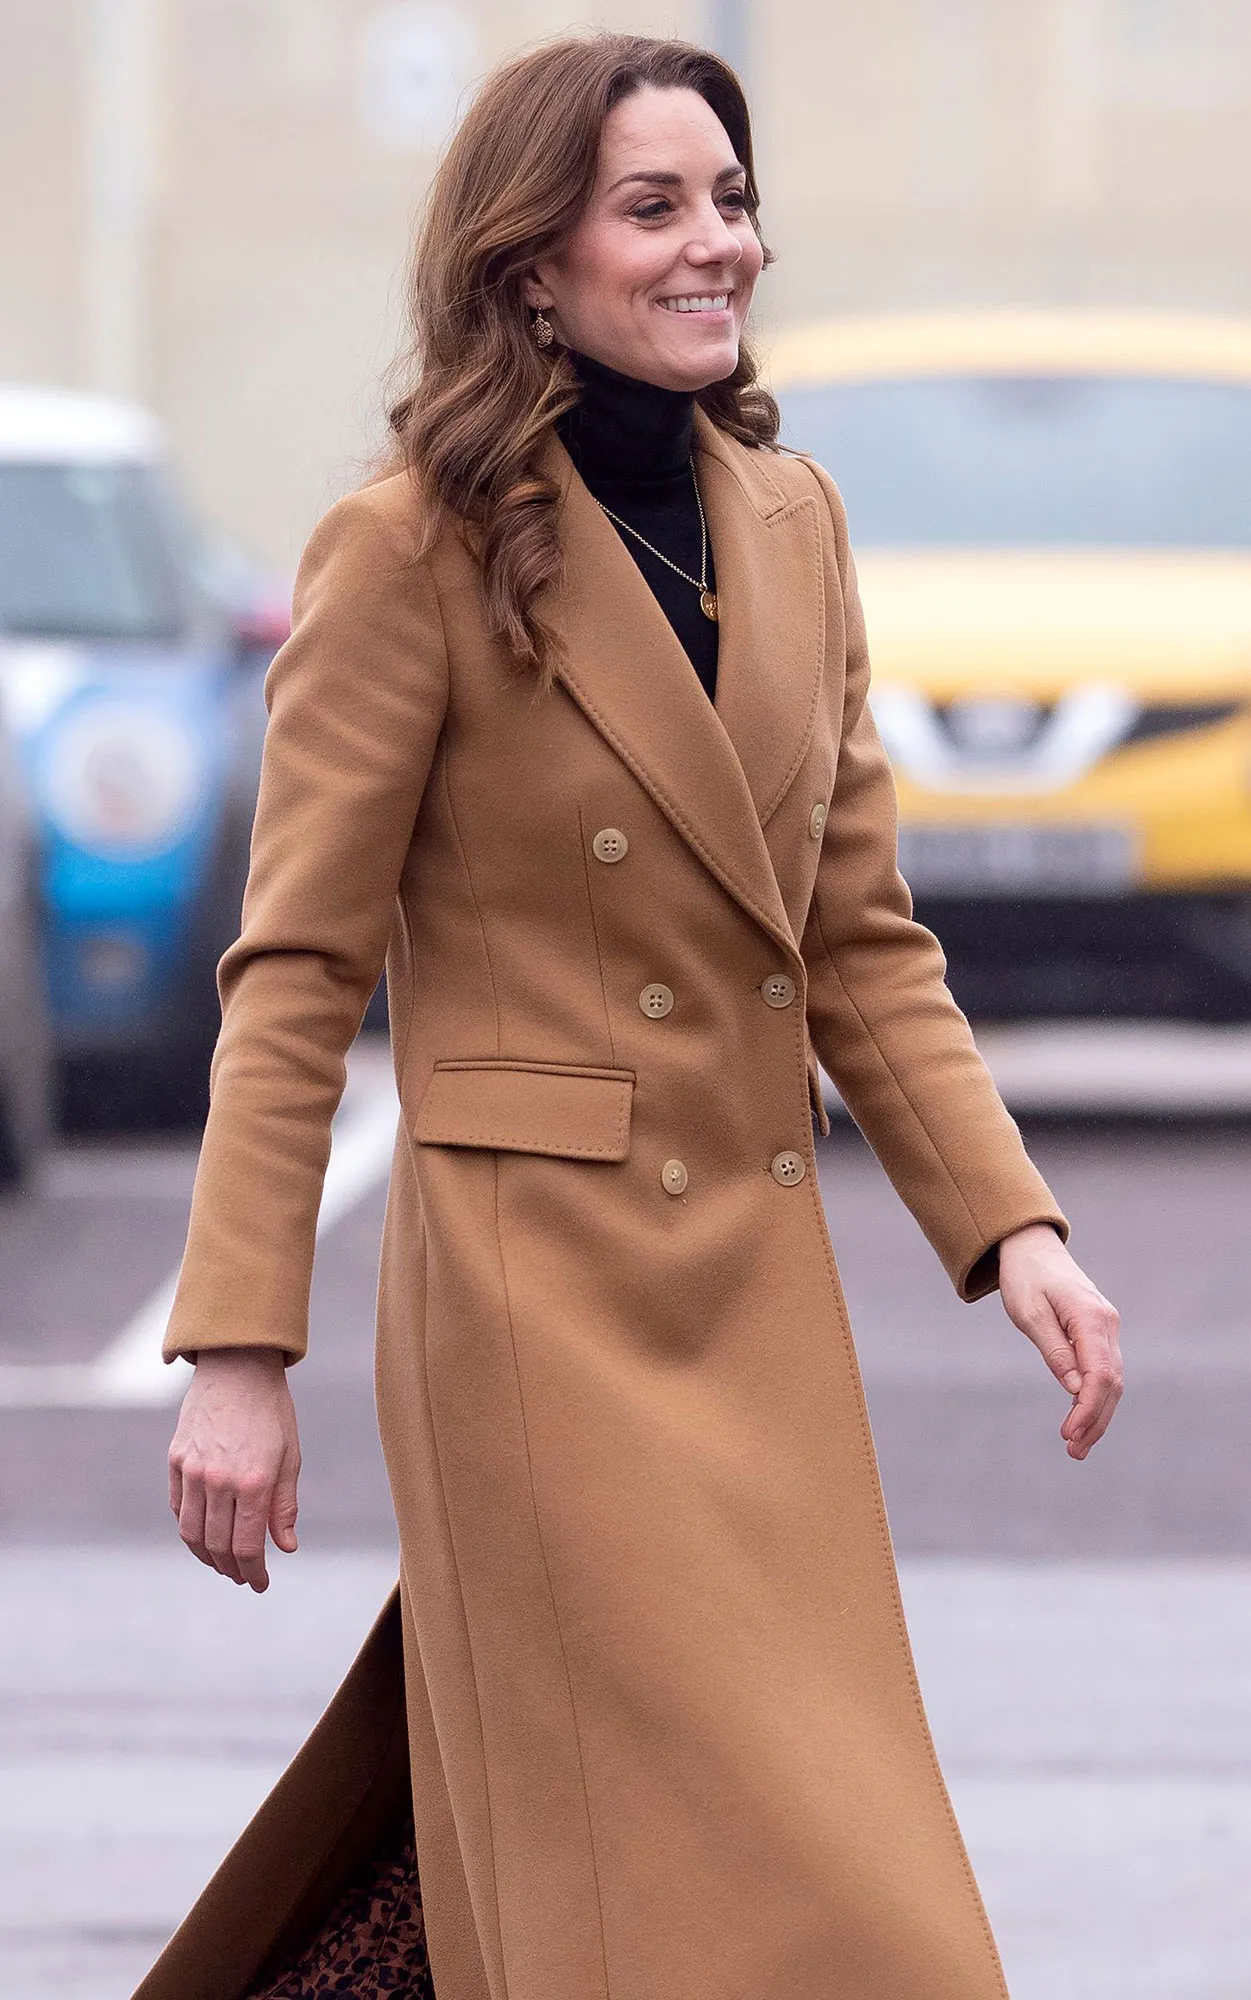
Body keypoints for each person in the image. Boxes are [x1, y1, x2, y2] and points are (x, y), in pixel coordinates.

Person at [133, 32, 1123, 2000]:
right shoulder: (401, 549)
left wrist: (1012, 1226)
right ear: (530, 262)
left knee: (822, 1876)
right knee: (662, 1892)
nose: (714, 243)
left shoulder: (792, 523)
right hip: (538, 1307)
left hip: (749, 1295)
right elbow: (298, 974)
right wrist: (239, 1347)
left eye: (729, 199)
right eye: (652, 207)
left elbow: (855, 936)